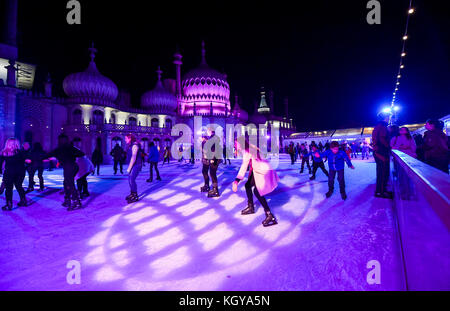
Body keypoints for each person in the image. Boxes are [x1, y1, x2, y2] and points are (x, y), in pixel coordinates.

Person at [232, 137, 279, 227]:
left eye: (236, 144)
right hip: (259, 170)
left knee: (257, 192)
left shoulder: (248, 151)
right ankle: (251, 207)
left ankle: (270, 215)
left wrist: (236, 181)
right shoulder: (250, 148)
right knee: (248, 185)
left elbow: (244, 166)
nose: (235, 145)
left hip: (264, 172)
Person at [46, 134, 85, 210]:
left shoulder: (59, 149)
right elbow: (81, 153)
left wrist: (56, 158)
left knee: (70, 183)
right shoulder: (70, 147)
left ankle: (76, 201)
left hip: (68, 167)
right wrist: (73, 155)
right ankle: (68, 199)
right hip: (73, 166)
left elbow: (48, 154)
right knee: (66, 182)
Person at [0, 138, 29, 210]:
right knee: (19, 186)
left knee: (9, 189)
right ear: (17, 144)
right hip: (20, 172)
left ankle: (9, 204)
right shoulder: (21, 152)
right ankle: (23, 201)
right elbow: (27, 161)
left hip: (9, 172)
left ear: (7, 144)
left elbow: (0, 163)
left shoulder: (4, 152)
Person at [372, 112, 392, 199]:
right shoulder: (382, 127)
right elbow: (382, 139)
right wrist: (389, 147)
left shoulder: (379, 126)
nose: (389, 118)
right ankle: (381, 191)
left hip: (379, 151)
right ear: (385, 117)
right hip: (381, 152)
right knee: (383, 172)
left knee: (381, 172)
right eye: (388, 117)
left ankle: (380, 191)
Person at [200, 130, 222, 197]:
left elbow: (213, 149)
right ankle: (208, 186)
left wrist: (212, 158)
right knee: (206, 172)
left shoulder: (213, 139)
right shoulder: (209, 139)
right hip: (209, 158)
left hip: (214, 159)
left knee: (212, 173)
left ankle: (215, 190)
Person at [125, 134, 143, 203]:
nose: (125, 140)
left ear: (130, 138)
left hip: (137, 165)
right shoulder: (131, 145)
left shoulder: (135, 145)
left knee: (132, 179)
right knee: (130, 179)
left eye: (126, 138)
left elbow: (134, 157)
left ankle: (135, 195)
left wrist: (129, 168)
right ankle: (132, 193)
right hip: (134, 165)